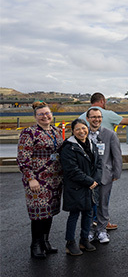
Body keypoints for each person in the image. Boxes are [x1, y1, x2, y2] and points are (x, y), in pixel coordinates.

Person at [17, 101, 64, 259]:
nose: (45, 116)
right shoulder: (29, 133)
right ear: (35, 117)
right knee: (38, 213)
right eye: (41, 114)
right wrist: (30, 178)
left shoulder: (56, 131)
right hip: (38, 180)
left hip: (55, 179)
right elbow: (23, 158)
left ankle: (45, 241)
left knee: (49, 212)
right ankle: (35, 245)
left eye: (47, 113)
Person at [59, 119, 102, 256]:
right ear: (73, 131)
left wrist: (95, 180)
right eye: (77, 129)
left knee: (88, 213)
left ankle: (84, 240)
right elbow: (71, 169)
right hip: (76, 186)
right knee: (74, 214)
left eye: (83, 128)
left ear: (87, 128)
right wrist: (89, 181)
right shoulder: (68, 147)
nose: (81, 131)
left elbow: (98, 164)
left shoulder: (91, 144)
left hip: (90, 186)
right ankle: (70, 243)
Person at [86, 108, 122, 243]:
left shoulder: (110, 134)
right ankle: (88, 230)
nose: (96, 119)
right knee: (88, 205)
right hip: (88, 177)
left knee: (102, 205)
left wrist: (116, 173)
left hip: (105, 176)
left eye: (99, 117)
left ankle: (102, 230)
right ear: (88, 119)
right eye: (93, 117)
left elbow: (116, 156)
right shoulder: (83, 133)